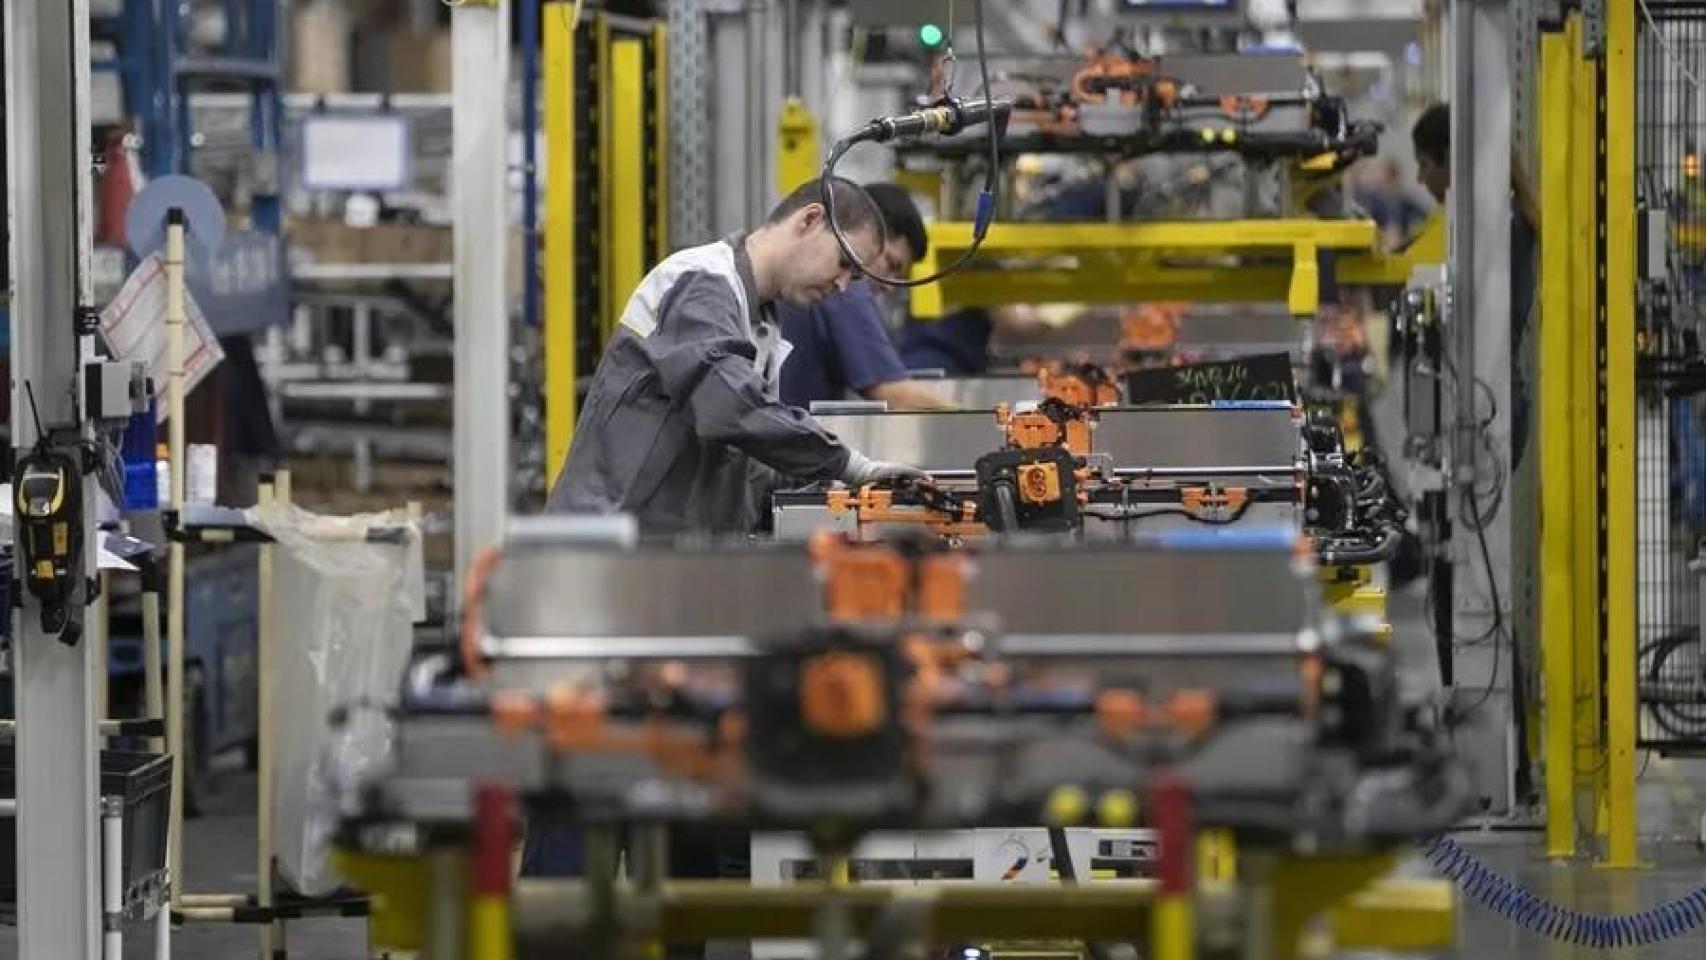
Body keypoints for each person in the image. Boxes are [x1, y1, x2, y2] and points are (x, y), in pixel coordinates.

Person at [546, 176, 927, 534]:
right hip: (606, 548)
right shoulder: (701, 282)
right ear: (811, 220)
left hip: (661, 557)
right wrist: (849, 464)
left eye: (856, 278)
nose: (844, 286)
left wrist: (833, 485)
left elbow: (744, 465)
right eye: (845, 264)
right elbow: (730, 408)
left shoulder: (760, 322)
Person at [776, 182, 953, 410]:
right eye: (890, 264)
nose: (890, 285)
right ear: (868, 234)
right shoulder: (846, 290)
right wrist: (985, 418)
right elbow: (894, 394)